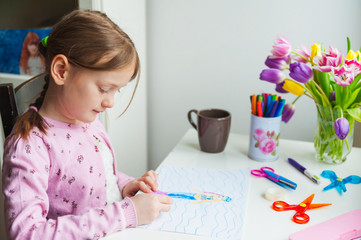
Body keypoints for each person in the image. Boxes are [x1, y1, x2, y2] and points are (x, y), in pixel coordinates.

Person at [2, 9, 173, 240]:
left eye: (116, 91)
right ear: (61, 71)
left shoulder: (88, 120)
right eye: (104, 89)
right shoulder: (30, 145)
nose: (110, 102)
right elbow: (26, 234)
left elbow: (93, 178)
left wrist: (125, 185)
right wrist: (126, 213)